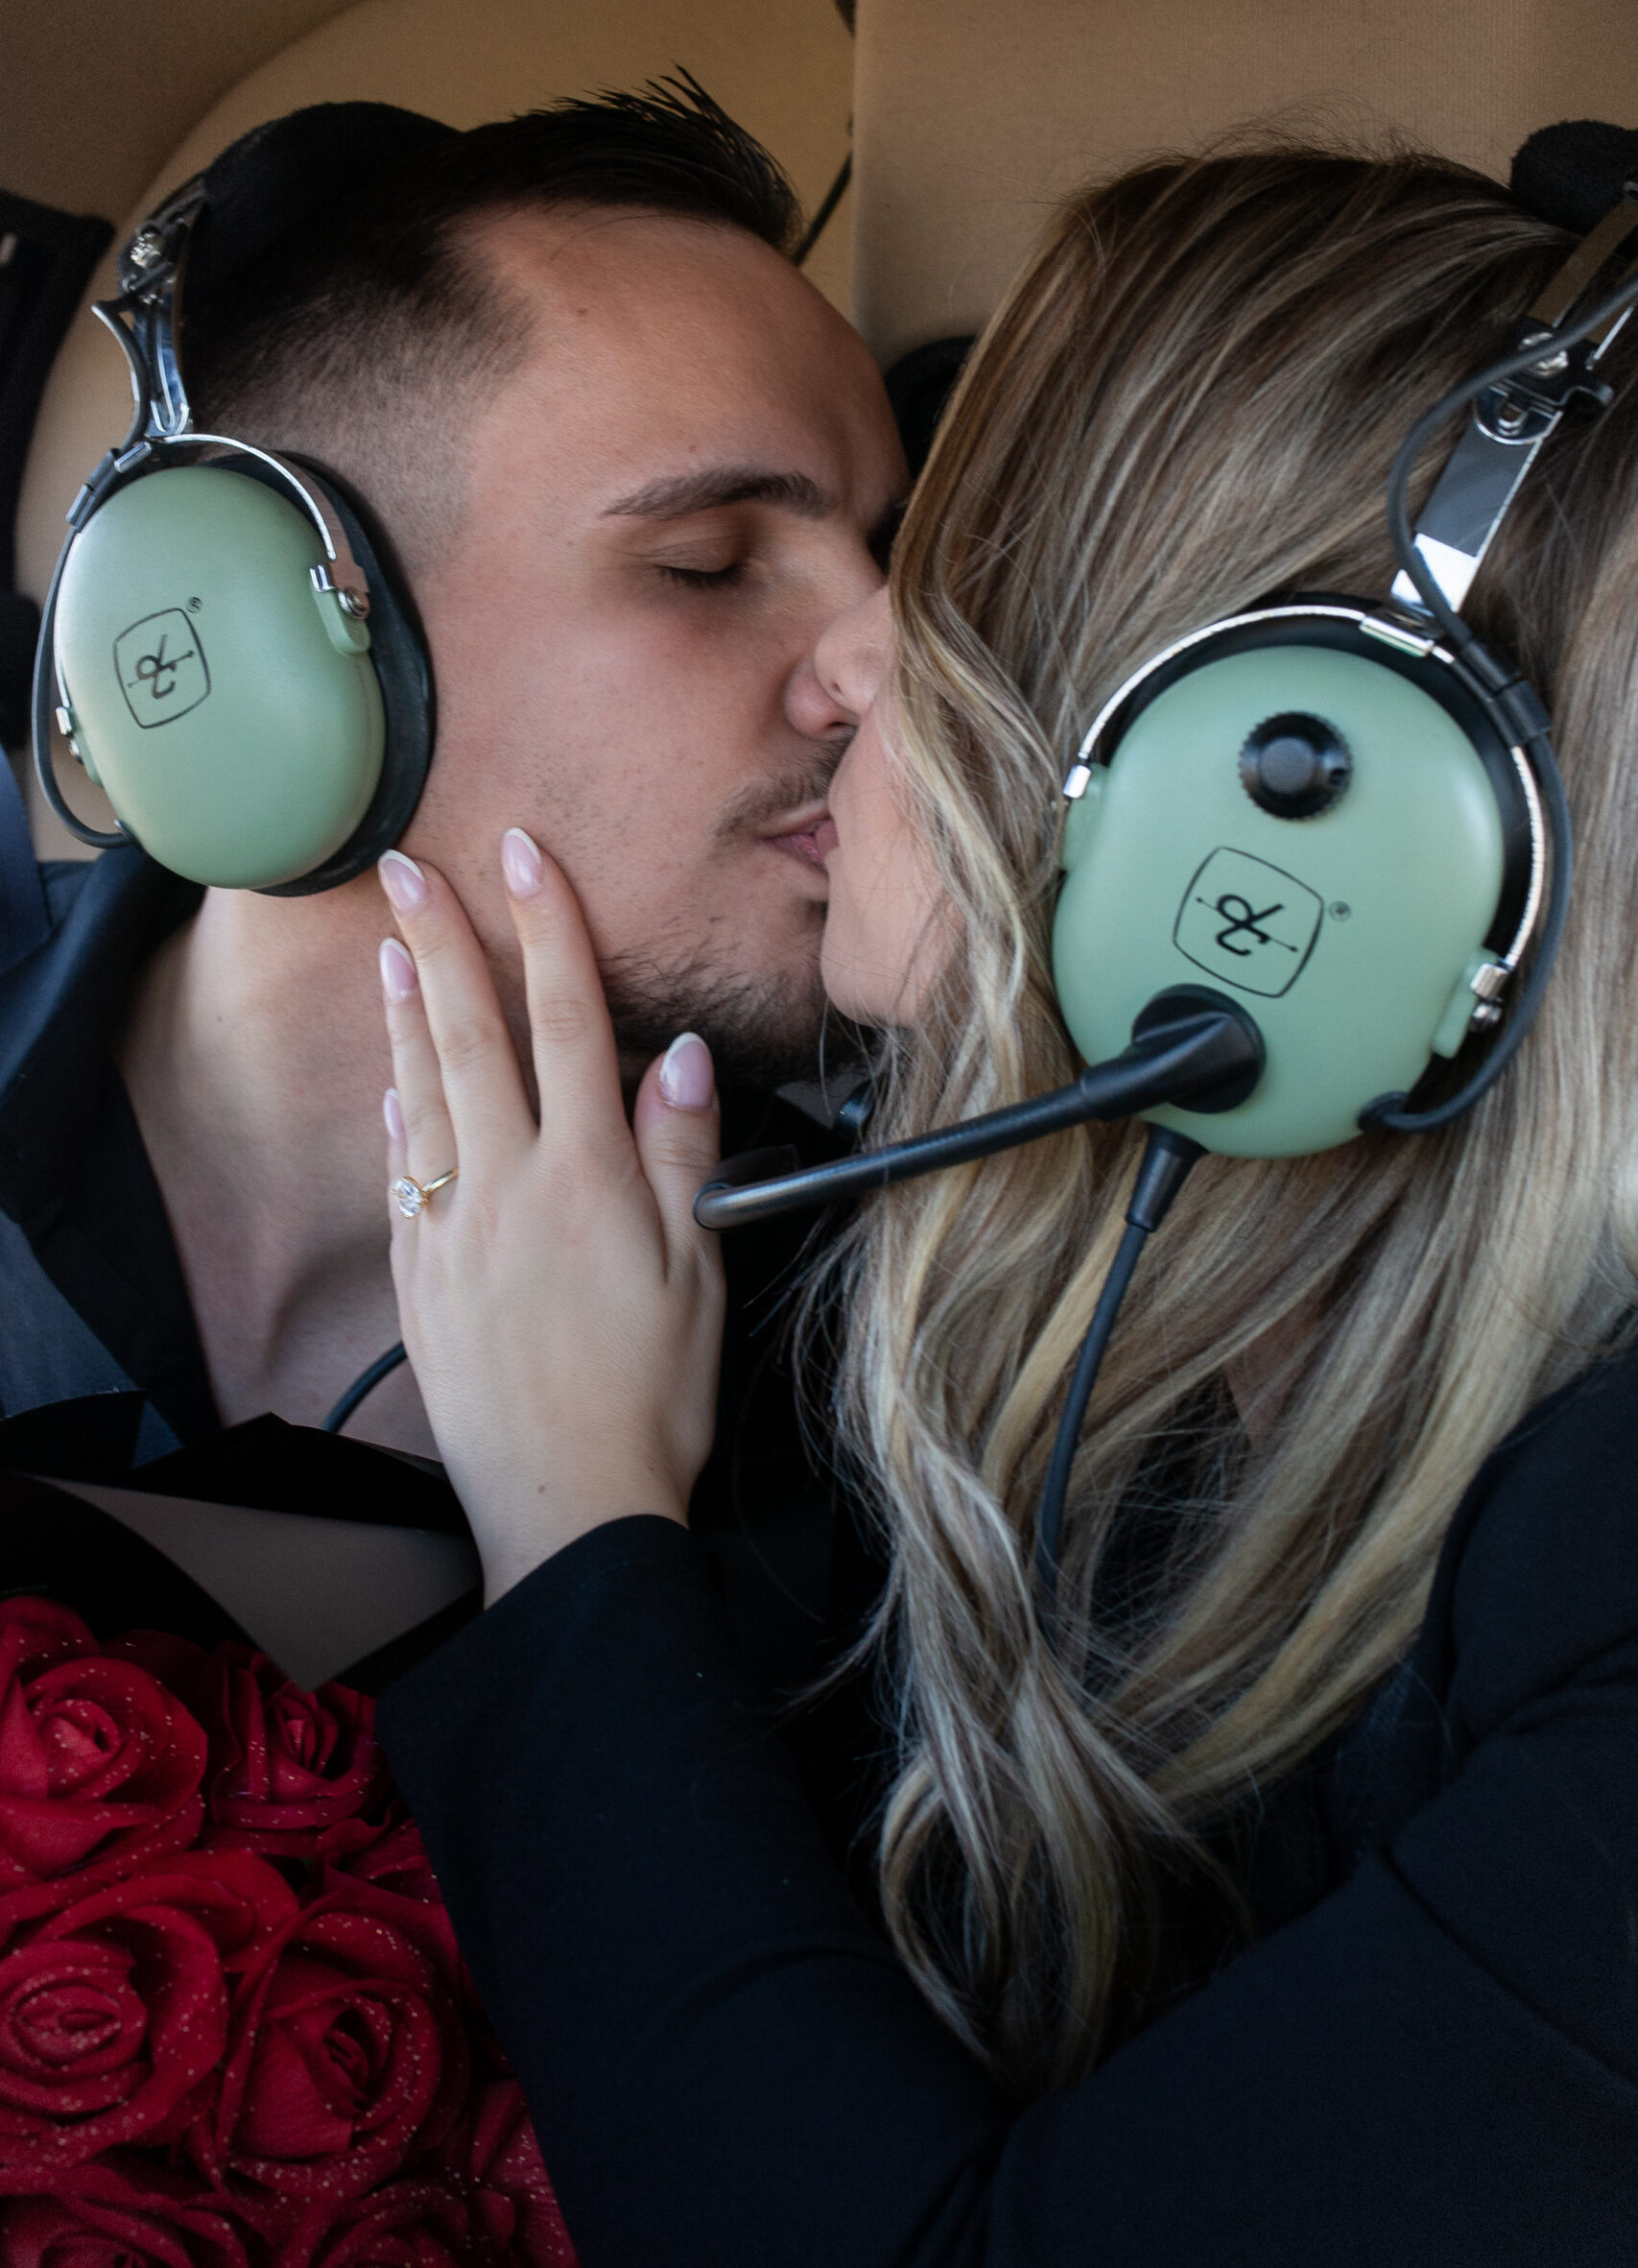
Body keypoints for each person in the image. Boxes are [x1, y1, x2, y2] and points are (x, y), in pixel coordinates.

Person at [371, 146, 1638, 2261]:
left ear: (1285, 795)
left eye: (949, 579)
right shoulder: (1148, 1408)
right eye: (709, 562)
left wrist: (573, 1516)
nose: (850, 674)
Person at [0, 78, 905, 1688]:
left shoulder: (898, 1391)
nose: (885, 669)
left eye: (888, 563)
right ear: (263, 644)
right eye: (706, 562)